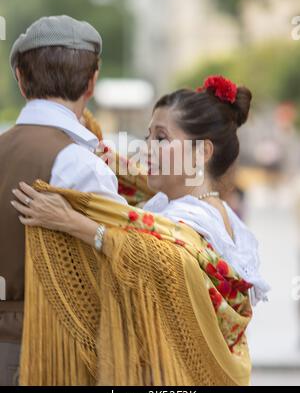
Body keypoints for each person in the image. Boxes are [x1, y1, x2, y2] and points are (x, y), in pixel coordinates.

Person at [12, 75, 270, 307]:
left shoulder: (191, 222)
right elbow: (135, 198)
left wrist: (69, 221)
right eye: (148, 137)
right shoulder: (214, 211)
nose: (147, 148)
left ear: (202, 151)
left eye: (161, 138)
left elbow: (148, 260)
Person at [0, 15, 126, 386]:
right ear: (92, 82)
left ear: (21, 80)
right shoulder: (81, 164)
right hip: (52, 353)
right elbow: (119, 265)